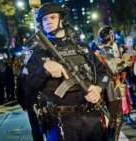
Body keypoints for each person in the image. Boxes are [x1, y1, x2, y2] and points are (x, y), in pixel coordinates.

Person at [21, 2, 109, 141]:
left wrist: (98, 88)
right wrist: (43, 69)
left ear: (62, 19)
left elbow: (103, 73)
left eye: (52, 17)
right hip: (59, 120)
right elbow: (24, 90)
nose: (48, 21)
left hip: (90, 115)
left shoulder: (82, 47)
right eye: (44, 19)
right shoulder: (36, 53)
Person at [96, 25, 127, 141]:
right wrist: (125, 61)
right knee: (117, 118)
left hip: (105, 86)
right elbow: (114, 69)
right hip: (110, 86)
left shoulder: (100, 48)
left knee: (111, 118)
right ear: (110, 36)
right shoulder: (106, 49)